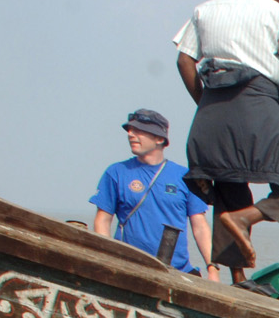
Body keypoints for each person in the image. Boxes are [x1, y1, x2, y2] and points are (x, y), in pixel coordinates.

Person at [173, 0, 279, 282]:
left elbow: (185, 60)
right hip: (259, 107)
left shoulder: (205, 10)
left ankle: (238, 278)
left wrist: (205, 103)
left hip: (211, 111)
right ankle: (245, 218)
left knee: (228, 182)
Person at [88, 109, 217, 280]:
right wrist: (108, 259)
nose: (131, 134)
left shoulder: (186, 177)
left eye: (139, 131)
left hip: (177, 273)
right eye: (129, 130)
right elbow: (102, 221)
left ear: (159, 138)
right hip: (129, 269)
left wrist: (212, 268)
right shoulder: (116, 173)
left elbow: (200, 226)